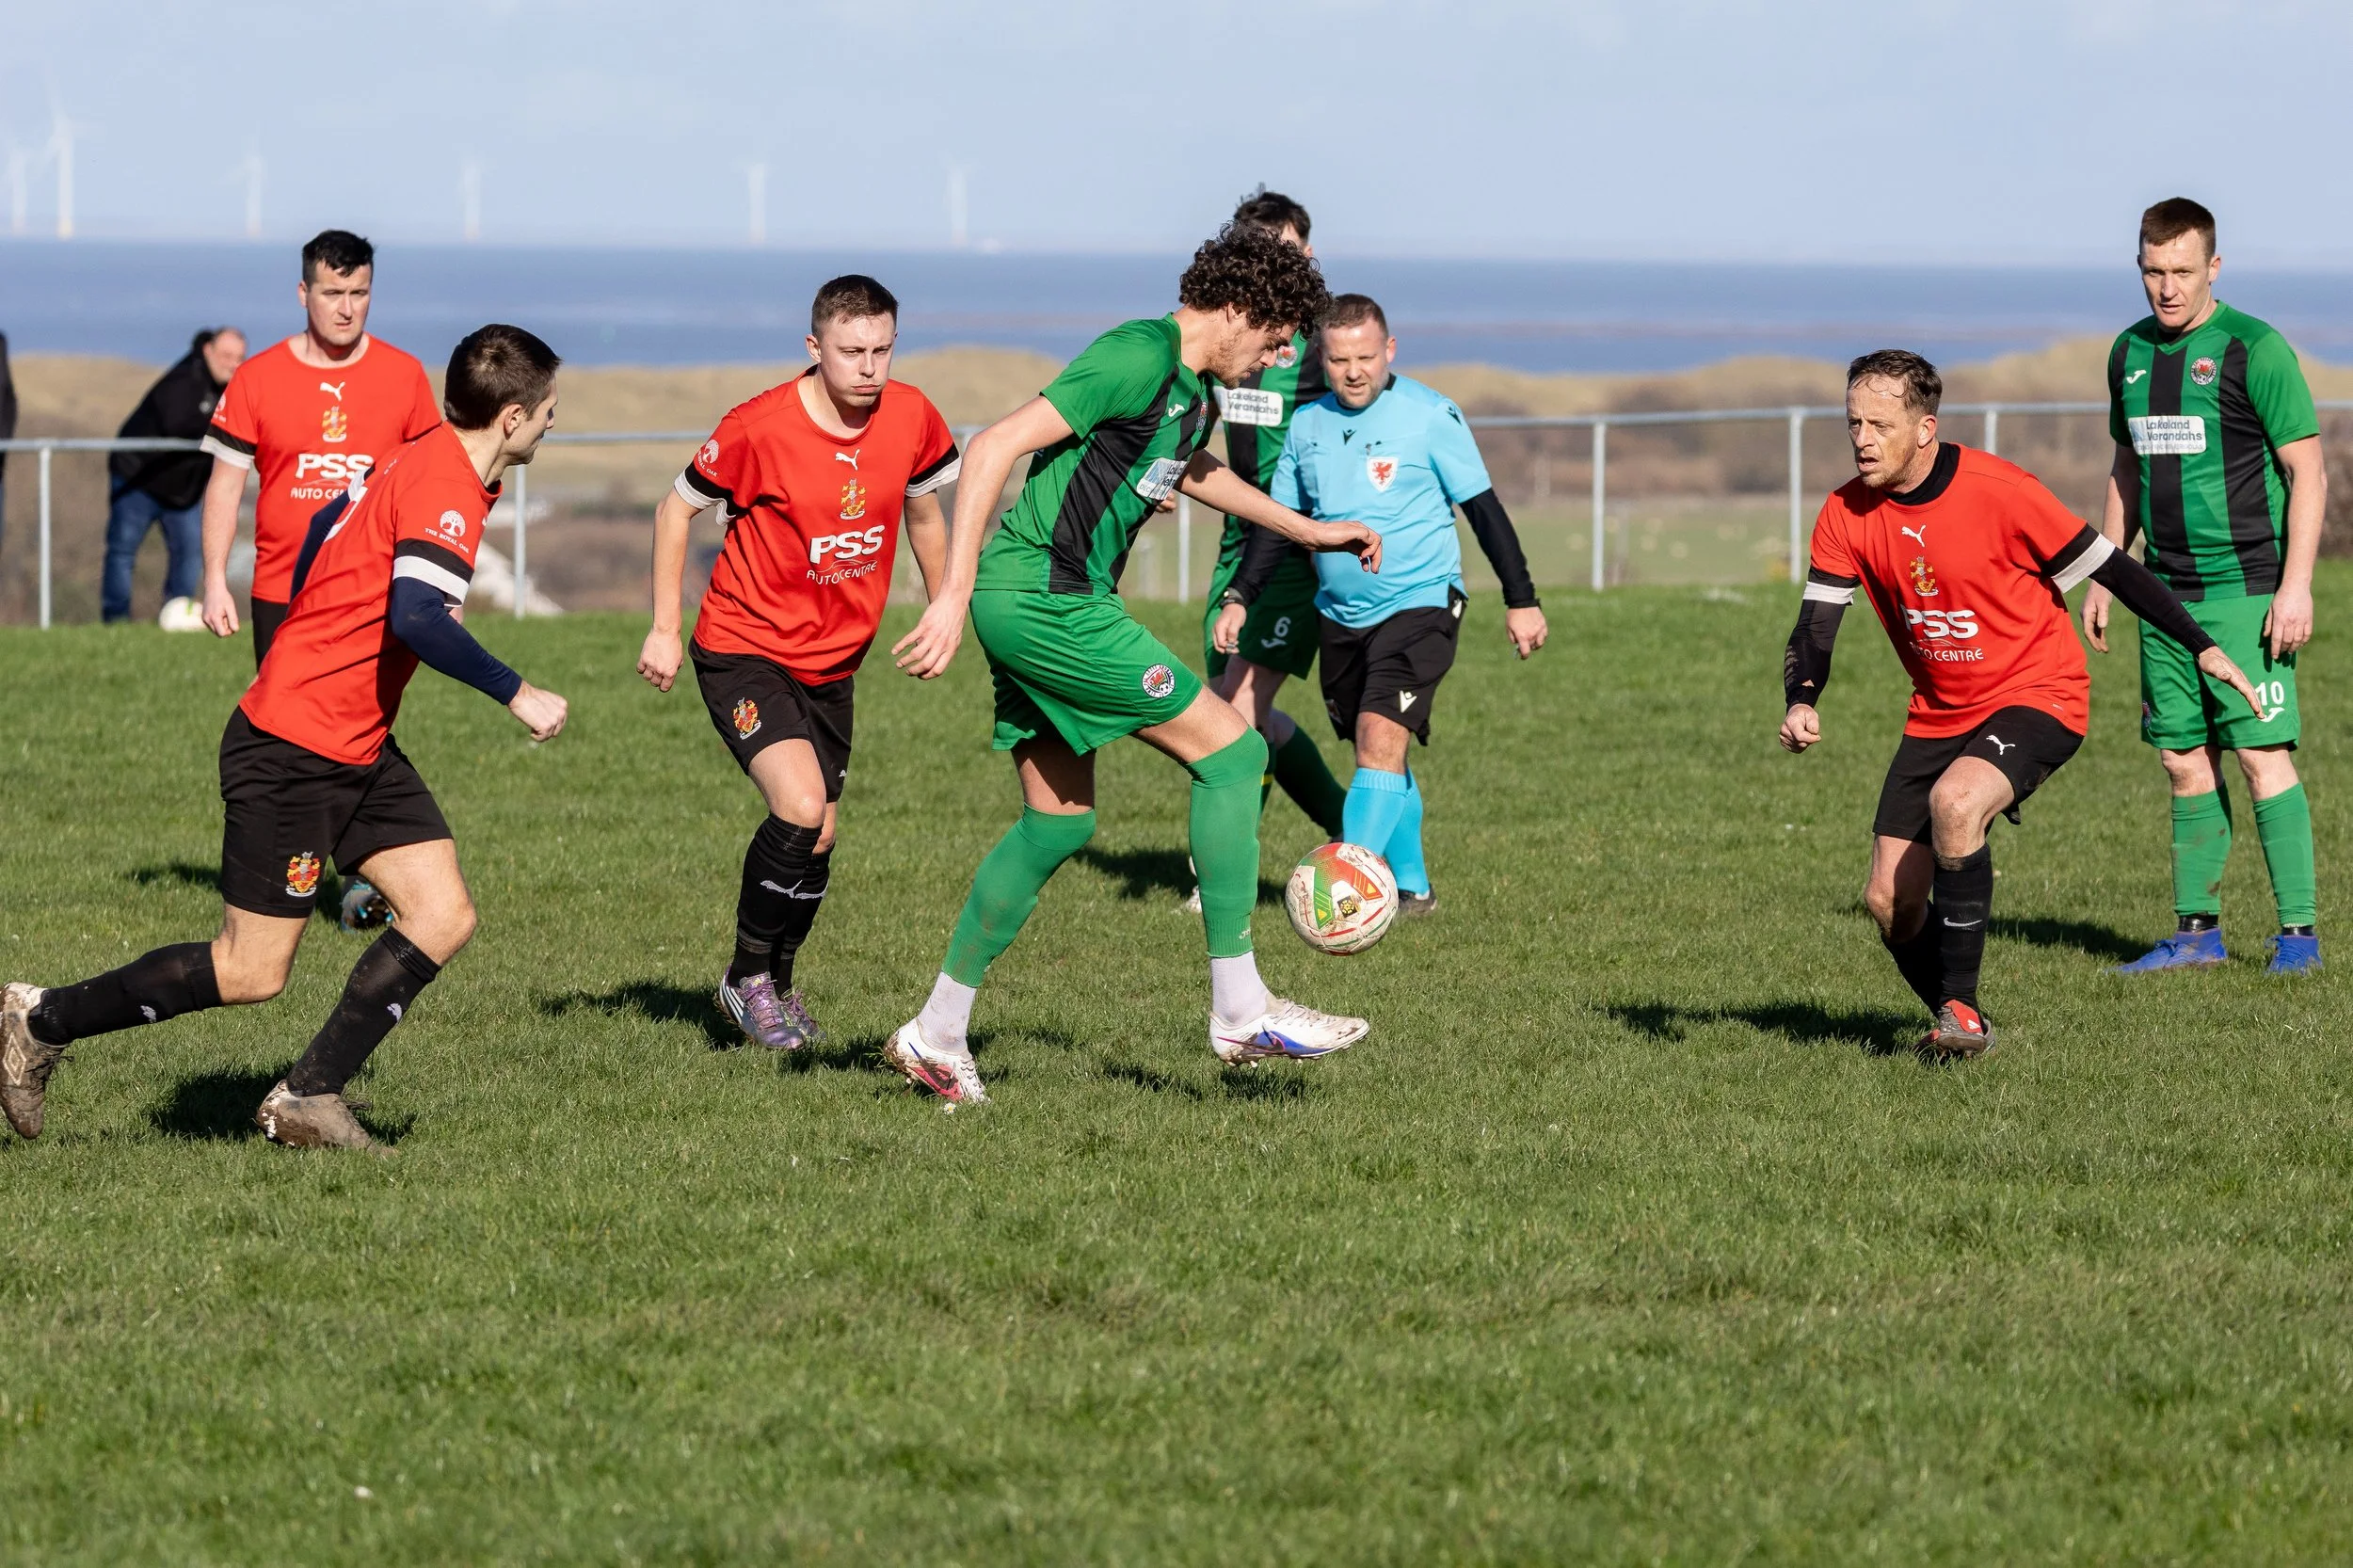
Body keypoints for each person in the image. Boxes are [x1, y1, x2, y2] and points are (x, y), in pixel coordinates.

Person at [0, 326, 571, 1150]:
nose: (555, 421)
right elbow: (416, 615)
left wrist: (321, 622)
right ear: (513, 417)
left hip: (357, 742)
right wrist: (517, 693)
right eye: (549, 408)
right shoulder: (446, 485)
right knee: (250, 970)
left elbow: (332, 527)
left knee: (442, 913)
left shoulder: (426, 455)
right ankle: (38, 1018)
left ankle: (307, 1098)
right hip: (294, 748)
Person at [881, 223, 1383, 1104]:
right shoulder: (1137, 354)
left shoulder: (1189, 388)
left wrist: (1310, 531)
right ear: (1237, 310)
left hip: (1046, 600)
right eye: (1272, 340)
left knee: (1059, 824)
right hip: (1048, 599)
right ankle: (1239, 1008)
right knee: (1234, 753)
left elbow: (1189, 471)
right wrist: (951, 594)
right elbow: (994, 445)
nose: (1276, 360)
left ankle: (935, 1032)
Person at [1780, 350, 2265, 1059]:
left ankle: (1962, 1019)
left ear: (1925, 428)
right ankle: (1956, 1013)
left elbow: (2112, 567)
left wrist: (2201, 645)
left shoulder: (2000, 490)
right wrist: (1801, 698)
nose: (1861, 438)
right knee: (1889, 901)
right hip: (1939, 711)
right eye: (1853, 421)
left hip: (2039, 694)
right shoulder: (1845, 512)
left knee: (1957, 802)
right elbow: (1816, 622)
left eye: (1880, 424)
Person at [636, 276, 957, 1051]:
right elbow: (676, 508)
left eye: (883, 349)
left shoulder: (911, 415)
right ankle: (746, 977)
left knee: (820, 836)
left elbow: (922, 510)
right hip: (743, 647)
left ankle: (777, 982)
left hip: (833, 662)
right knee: (800, 805)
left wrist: (945, 605)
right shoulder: (758, 427)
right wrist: (662, 627)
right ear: (815, 348)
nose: (870, 367)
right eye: (852, 351)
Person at [1218, 295, 1546, 916]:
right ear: (1323, 357)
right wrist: (1242, 596)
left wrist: (1521, 599)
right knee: (1377, 752)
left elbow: (1485, 512)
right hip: (1340, 614)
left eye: (1366, 357)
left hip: (1422, 601)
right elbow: (1279, 526)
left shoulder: (1429, 415)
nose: (1354, 371)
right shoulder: (1307, 423)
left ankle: (1342, 897)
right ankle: (1414, 888)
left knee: (1378, 736)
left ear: (1389, 350)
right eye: (1339, 359)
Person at [2079, 199, 2329, 975]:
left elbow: (2309, 472)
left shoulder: (2256, 349)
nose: (2167, 287)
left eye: (2183, 271)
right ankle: (2196, 936)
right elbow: (2126, 470)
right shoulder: (2127, 353)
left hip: (2250, 589)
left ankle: (2299, 939)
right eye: (2153, 271)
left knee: (2261, 758)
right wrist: (2106, 571)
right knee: (2183, 759)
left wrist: (2297, 589)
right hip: (2162, 592)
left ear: (2213, 267)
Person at [199, 230, 440, 664]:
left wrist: (442, 587)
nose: (347, 309)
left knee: (358, 729)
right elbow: (224, 489)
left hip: (372, 593)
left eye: (359, 293)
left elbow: (430, 491)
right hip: (280, 590)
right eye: (332, 293)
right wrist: (215, 580)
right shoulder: (256, 378)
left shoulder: (405, 376)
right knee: (279, 728)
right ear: (303, 293)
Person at [1198, 188, 1349, 845]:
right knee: (1234, 713)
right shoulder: (1229, 331)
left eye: (1283, 253)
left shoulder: (1325, 340)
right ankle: (1360, 836)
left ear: (1308, 253)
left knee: (1238, 713)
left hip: (1291, 547)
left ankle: (1218, 872)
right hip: (1238, 537)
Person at [104, 328, 246, 622]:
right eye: (226, 356)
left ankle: (177, 618)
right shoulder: (183, 379)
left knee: (190, 553)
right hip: (139, 479)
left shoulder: (234, 391)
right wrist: (221, 423)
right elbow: (177, 422)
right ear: (207, 350)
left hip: (183, 492)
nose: (233, 364)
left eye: (239, 358)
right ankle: (115, 621)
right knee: (123, 551)